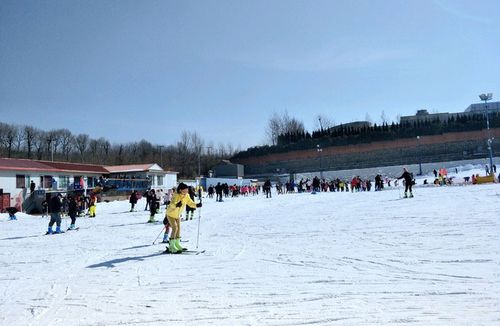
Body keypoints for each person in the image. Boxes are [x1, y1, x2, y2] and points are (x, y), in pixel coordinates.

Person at [165, 183, 202, 254]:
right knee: (175, 228)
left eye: (187, 190)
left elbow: (190, 203)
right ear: (180, 190)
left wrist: (196, 205)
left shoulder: (187, 196)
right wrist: (176, 204)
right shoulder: (176, 195)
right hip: (170, 214)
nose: (186, 191)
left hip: (177, 215)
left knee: (178, 229)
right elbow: (172, 204)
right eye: (185, 190)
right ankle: (171, 246)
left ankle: (177, 244)